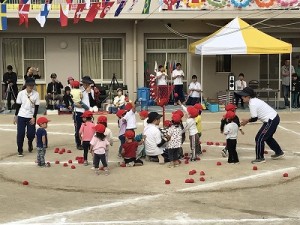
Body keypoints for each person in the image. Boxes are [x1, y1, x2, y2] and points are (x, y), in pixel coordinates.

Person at [238, 87, 285, 164]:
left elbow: (255, 118)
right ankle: (279, 152)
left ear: (248, 96)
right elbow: (254, 117)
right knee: (267, 137)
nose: (242, 97)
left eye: (244, 96)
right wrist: (247, 121)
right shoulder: (254, 101)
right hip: (273, 118)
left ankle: (260, 158)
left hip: (271, 120)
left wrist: (247, 121)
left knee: (259, 138)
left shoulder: (252, 103)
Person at [14, 78, 40, 157]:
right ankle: (20, 149)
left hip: (30, 116)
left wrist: (34, 117)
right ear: (26, 85)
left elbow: (36, 107)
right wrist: (16, 115)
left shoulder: (36, 94)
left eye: (32, 85)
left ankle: (30, 142)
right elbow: (18, 105)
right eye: (29, 85)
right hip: (21, 115)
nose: (31, 87)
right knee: (20, 133)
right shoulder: (21, 93)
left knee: (31, 134)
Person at [73, 76, 95, 150]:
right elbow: (75, 100)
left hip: (87, 112)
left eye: (89, 83)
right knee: (78, 128)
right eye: (86, 83)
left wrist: (89, 93)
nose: (88, 85)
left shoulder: (91, 91)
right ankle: (78, 143)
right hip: (79, 111)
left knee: (90, 127)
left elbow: (92, 102)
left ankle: (89, 143)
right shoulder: (79, 90)